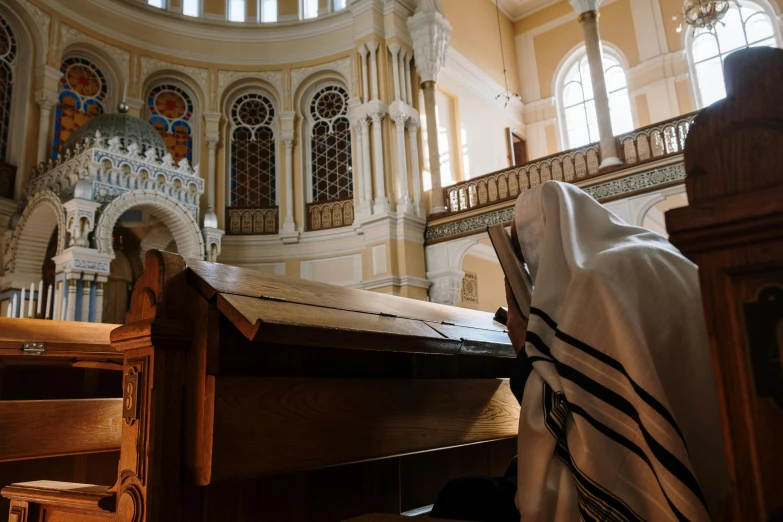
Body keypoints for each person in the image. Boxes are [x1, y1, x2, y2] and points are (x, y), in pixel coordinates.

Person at [431, 181, 729, 522]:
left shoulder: (596, 284)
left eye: (525, 254)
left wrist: (523, 344)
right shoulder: (657, 253)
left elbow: (572, 415)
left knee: (464, 496)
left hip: (631, 490)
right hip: (721, 462)